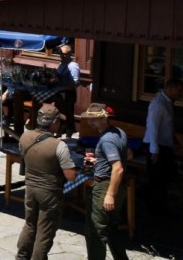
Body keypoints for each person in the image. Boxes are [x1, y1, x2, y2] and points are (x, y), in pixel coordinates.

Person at [15, 105, 78, 260]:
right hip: (49, 192)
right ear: (54, 122)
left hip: (30, 188)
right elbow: (70, 176)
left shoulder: (24, 136)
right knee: (45, 231)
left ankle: (21, 257)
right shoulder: (59, 146)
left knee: (30, 224)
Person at [81, 103, 130, 260]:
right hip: (117, 185)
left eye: (94, 119)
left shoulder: (107, 140)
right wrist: (100, 160)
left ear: (105, 119)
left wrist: (109, 194)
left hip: (105, 186)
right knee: (111, 229)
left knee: (95, 231)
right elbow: (128, 154)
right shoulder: (119, 132)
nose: (90, 123)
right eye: (89, 119)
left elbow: (118, 168)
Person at [143, 79, 182, 213]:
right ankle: (155, 209)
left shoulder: (168, 103)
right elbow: (153, 127)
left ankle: (160, 207)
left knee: (164, 178)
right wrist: (154, 150)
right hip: (156, 146)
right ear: (170, 89)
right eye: (178, 90)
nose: (180, 94)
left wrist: (173, 140)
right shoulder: (158, 104)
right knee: (157, 179)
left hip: (164, 145)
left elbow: (167, 126)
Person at [53, 45, 81, 136]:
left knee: (67, 114)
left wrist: (61, 83)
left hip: (67, 93)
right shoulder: (61, 64)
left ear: (70, 54)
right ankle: (62, 130)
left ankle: (69, 131)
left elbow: (76, 83)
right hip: (60, 93)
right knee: (61, 113)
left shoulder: (73, 65)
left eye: (64, 54)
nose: (62, 56)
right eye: (61, 53)